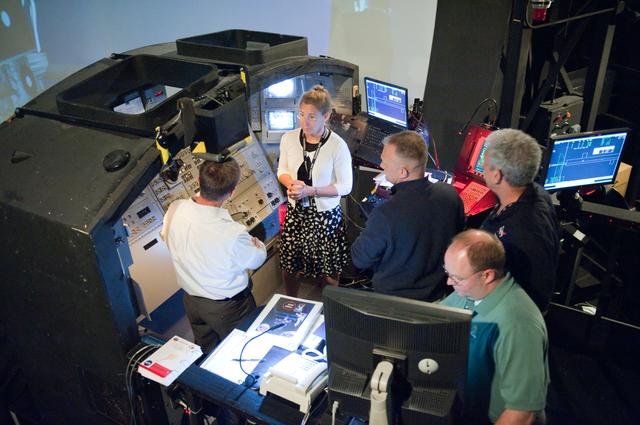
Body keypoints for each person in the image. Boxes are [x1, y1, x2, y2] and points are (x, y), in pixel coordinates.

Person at [441, 229, 549, 424]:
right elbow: (431, 319)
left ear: (487, 275)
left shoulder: (519, 324)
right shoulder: (468, 291)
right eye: (447, 273)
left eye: (456, 278)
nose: (449, 282)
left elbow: (521, 413)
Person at [161, 158, 266, 353]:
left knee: (208, 351)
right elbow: (257, 258)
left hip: (192, 302)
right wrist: (257, 244)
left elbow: (164, 235)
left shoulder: (175, 208)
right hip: (228, 309)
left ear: (199, 181)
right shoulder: (233, 234)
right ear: (231, 193)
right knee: (244, 351)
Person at [350, 131, 464, 301]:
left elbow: (359, 259)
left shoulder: (385, 213)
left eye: (385, 162)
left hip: (394, 304)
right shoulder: (449, 195)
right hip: (439, 297)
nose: (381, 165)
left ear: (403, 172)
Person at [277, 85, 353, 297]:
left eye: (311, 116)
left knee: (328, 272)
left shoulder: (338, 146)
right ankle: (290, 303)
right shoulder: (289, 139)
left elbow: (346, 186)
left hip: (325, 216)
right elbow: (282, 170)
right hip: (297, 213)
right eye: (301, 115)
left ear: (326, 116)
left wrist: (312, 191)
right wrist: (291, 183)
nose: (304, 122)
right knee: (289, 266)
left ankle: (329, 310)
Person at [480, 128, 560, 313]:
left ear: (497, 175)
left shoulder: (524, 232)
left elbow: (531, 297)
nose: (482, 168)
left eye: (484, 164)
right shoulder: (535, 192)